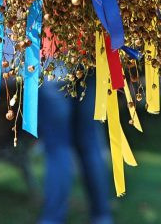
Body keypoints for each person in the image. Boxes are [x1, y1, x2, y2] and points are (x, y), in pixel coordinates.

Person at [37, 75, 113, 224]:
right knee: (91, 143)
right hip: (90, 65)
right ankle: (102, 216)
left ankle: (52, 219)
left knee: (58, 148)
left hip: (53, 67)